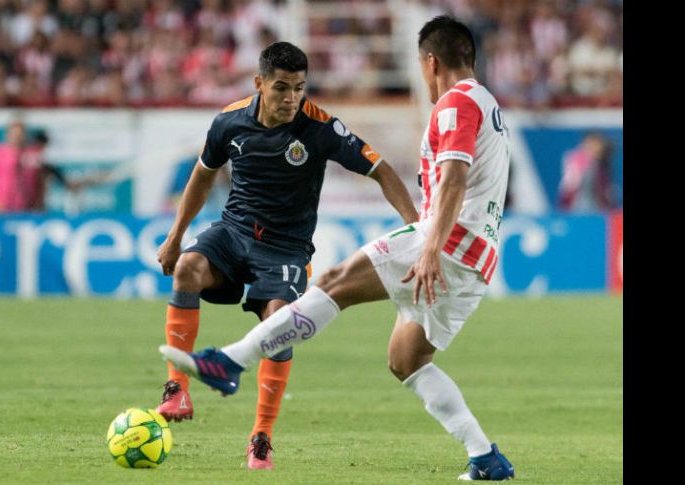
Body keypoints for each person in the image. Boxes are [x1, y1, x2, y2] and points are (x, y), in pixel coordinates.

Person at [160, 17, 515, 481]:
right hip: (476, 261)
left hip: (444, 244)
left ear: (430, 62)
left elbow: (453, 179)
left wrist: (427, 248)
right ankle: (484, 455)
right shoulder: (489, 105)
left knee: (332, 284)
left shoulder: (455, 104)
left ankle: (229, 361)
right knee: (406, 360)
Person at [154, 41, 418, 470]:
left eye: (299, 87)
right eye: (281, 88)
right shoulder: (228, 122)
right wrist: (175, 236)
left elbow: (382, 171)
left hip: (285, 248)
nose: (292, 98)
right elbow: (202, 178)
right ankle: (176, 391)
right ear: (260, 84)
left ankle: (261, 436)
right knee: (187, 267)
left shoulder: (320, 128)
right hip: (234, 231)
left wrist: (416, 231)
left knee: (280, 324)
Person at [0, 122, 95, 213]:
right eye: (14, 134)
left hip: (30, 208)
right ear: (7, 134)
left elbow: (43, 178)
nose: (17, 138)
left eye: (20, 134)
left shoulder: (33, 153)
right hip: (4, 209)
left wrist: (41, 202)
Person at [557, 132, 614, 212]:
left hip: (596, 208)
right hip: (578, 207)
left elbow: (604, 190)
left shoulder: (600, 164)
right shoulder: (577, 160)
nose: (597, 147)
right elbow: (569, 185)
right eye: (594, 144)